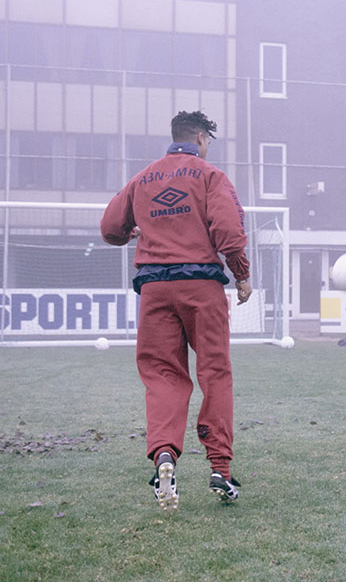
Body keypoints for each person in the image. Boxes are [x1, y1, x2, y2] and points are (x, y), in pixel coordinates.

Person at [101, 110, 252, 509]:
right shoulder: (210, 176)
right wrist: (242, 275)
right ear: (200, 138)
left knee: (164, 376)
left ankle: (164, 453)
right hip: (200, 286)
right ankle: (220, 466)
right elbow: (230, 232)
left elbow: (109, 227)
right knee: (214, 371)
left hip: (153, 288)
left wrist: (133, 231)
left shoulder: (142, 178)